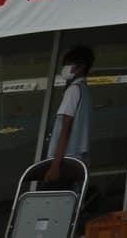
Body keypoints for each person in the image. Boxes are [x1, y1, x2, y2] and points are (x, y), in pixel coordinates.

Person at [42, 44, 92, 190]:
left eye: (69, 64)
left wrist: (55, 166)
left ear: (81, 67)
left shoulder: (73, 91)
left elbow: (65, 129)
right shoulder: (84, 90)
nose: (66, 67)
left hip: (66, 159)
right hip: (77, 158)